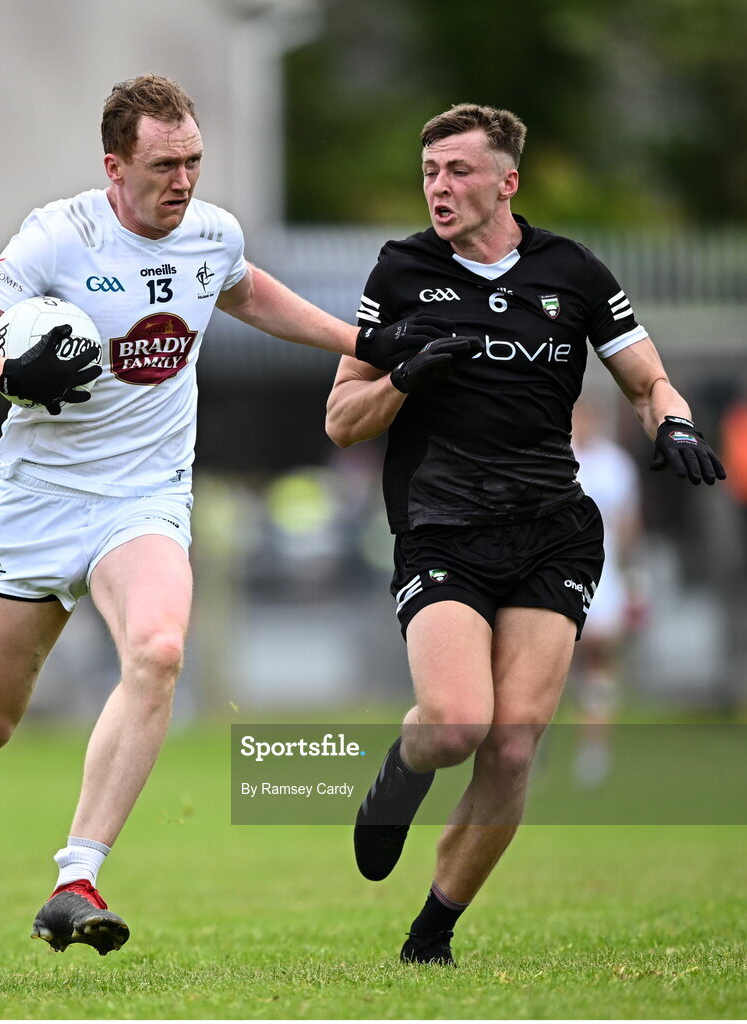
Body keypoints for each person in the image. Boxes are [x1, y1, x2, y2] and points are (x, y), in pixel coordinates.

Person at [0, 74, 441, 956]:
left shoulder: (211, 232)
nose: (184, 179)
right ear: (115, 166)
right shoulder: (59, 236)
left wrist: (362, 342)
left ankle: (74, 877)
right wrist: (12, 376)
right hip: (41, 503)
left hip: (144, 498)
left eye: (194, 159)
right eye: (165, 164)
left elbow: (243, 291)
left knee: (158, 651)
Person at [325, 103, 726, 967]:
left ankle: (430, 934)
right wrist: (404, 374)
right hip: (442, 530)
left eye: (458, 171)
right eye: (430, 172)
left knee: (513, 743)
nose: (439, 187)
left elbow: (648, 379)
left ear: (507, 181)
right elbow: (342, 420)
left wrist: (676, 427)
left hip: (553, 532)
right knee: (460, 722)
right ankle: (402, 771)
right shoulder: (401, 271)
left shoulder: (572, 271)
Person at [568, 398, 644, 787]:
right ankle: (531, 743)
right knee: (550, 661)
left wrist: (632, 583)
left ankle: (593, 748)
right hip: (556, 573)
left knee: (597, 661)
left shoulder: (615, 465)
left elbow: (629, 527)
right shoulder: (555, 457)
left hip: (603, 577)